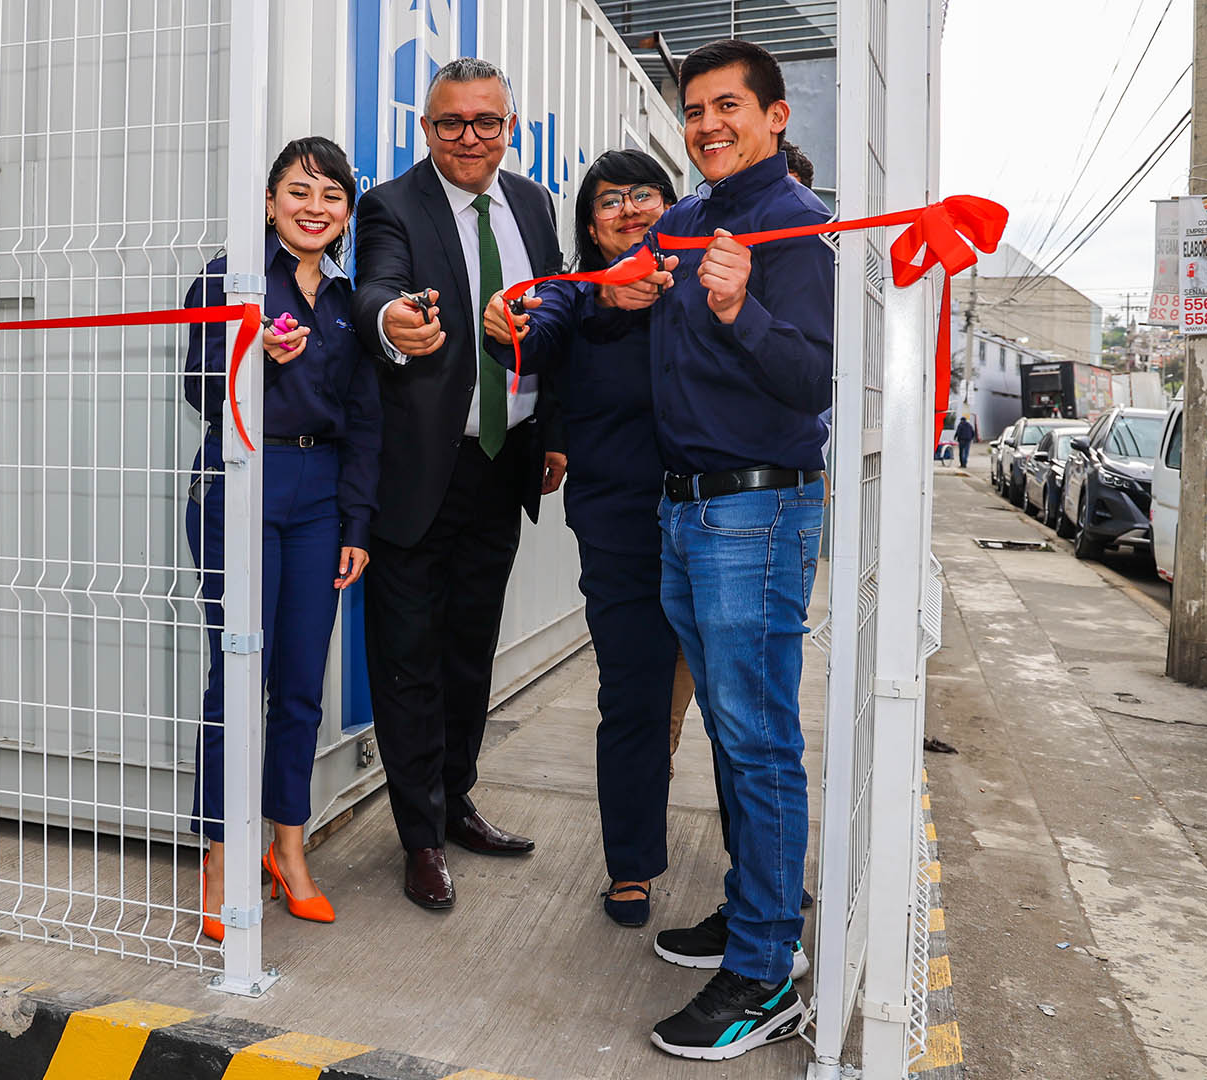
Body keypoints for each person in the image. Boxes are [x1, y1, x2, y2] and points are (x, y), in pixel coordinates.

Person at [590, 39, 833, 1061]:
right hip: (685, 509)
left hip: (757, 511)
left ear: (776, 117)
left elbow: (811, 379)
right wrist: (603, 295)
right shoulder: (688, 220)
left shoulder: (805, 230)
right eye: (692, 111)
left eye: (728, 106)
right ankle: (752, 918)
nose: (706, 125)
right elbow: (611, 287)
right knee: (736, 734)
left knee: (757, 737)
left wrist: (739, 308)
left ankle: (768, 969)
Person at [354, 57, 566, 911]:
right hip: (419, 473)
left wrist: (549, 433)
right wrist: (390, 324)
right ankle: (418, 836)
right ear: (426, 128)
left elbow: (555, 316)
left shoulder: (534, 205)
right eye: (451, 123)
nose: (469, 138)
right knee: (408, 660)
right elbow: (375, 288)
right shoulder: (391, 206)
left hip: (502, 457)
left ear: (509, 127)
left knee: (470, 650)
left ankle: (457, 799)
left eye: (487, 122)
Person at [183, 137, 380, 941]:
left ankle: (288, 852)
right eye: (299, 191)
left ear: (345, 214)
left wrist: (357, 522)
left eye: (331, 196)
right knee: (238, 681)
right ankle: (221, 862)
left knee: (301, 682)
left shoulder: (347, 299)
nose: (314, 207)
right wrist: (250, 353)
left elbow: (366, 419)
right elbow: (197, 391)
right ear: (270, 202)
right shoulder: (230, 279)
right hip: (238, 485)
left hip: (319, 497)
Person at [480, 149, 682, 928]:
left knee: (737, 705)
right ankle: (630, 866)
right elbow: (530, 329)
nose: (628, 210)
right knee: (631, 696)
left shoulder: (705, 282)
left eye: (644, 194)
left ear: (673, 205)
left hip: (718, 518)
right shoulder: (574, 292)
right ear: (589, 225)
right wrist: (510, 320)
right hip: (620, 524)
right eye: (608, 201)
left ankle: (754, 864)